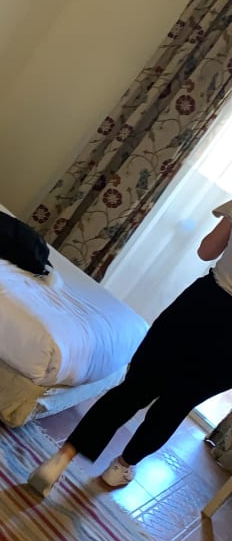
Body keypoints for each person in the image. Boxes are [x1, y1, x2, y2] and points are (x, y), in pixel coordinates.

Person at [28, 201, 232, 496]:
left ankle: (61, 459)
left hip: (202, 304)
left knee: (135, 388)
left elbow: (207, 251)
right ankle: (122, 466)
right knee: (175, 405)